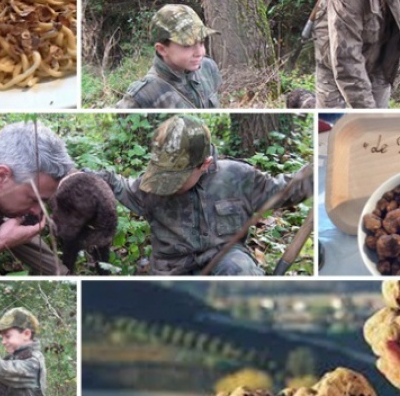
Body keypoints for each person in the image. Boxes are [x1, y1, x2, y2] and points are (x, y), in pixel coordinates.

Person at [97, 115, 313, 276]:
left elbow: (285, 191)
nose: (167, 185)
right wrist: (87, 179)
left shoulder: (236, 177)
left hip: (225, 262)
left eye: (176, 178)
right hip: (172, 271)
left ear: (205, 164)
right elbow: (115, 185)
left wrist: (321, 171)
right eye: (163, 175)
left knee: (240, 269)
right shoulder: (150, 187)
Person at [313, 0, 400, 108]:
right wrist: (366, 112)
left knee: (379, 120)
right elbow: (346, 61)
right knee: (344, 118)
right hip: (336, 68)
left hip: (380, 62)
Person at [0, 121, 74, 275]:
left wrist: (63, 275)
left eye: (44, 201)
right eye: (33, 199)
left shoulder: (11, 195)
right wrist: (0, 243)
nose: (38, 210)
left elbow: (13, 232)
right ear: (2, 176)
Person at [116, 4, 222, 109]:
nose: (200, 52)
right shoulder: (143, 96)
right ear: (162, 49)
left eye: (202, 42)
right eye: (188, 45)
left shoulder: (208, 68)